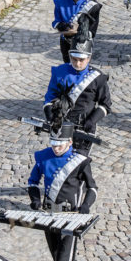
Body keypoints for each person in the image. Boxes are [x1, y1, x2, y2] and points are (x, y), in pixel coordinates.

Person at [27, 106, 98, 261]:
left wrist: (85, 205)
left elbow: (92, 188)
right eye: (53, 143)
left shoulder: (80, 162)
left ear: (69, 142)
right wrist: (35, 200)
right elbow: (32, 182)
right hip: (49, 216)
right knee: (58, 256)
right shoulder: (43, 157)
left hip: (70, 217)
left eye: (60, 144)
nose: (56, 148)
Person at [43, 15, 111, 156]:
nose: (78, 63)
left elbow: (105, 105)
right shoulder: (59, 72)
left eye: (81, 60)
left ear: (89, 58)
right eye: (74, 59)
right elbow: (49, 98)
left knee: (77, 164)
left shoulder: (98, 78)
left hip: (84, 127)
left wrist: (92, 120)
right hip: (61, 125)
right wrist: (51, 117)